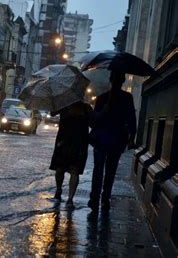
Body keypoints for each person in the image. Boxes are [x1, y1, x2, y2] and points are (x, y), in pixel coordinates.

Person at [88, 70, 136, 212]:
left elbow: (130, 118)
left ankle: (99, 198)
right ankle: (100, 198)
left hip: (112, 140)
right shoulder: (104, 98)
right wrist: (132, 137)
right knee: (105, 170)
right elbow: (131, 119)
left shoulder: (120, 98)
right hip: (110, 140)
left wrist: (132, 136)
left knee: (104, 170)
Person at [50, 100, 93, 208]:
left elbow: (93, 124)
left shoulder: (86, 108)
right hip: (63, 142)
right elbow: (52, 113)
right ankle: (58, 190)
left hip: (79, 144)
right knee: (60, 169)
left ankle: (70, 199)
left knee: (75, 170)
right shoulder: (64, 105)